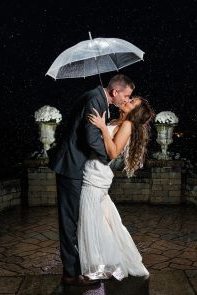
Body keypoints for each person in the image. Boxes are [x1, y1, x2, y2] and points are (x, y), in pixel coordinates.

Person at [48, 74, 135, 286]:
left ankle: (77, 267)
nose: (126, 99)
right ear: (115, 92)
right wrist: (107, 157)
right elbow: (90, 137)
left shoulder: (97, 98)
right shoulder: (95, 100)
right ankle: (70, 273)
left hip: (78, 166)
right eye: (126, 95)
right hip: (71, 165)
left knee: (76, 218)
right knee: (69, 220)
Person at [78, 95, 154, 281]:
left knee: (90, 219)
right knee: (100, 219)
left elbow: (112, 152)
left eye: (132, 103)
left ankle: (97, 267)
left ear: (134, 113)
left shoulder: (127, 125)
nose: (127, 101)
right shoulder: (117, 120)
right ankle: (110, 260)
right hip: (94, 169)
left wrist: (103, 127)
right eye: (131, 99)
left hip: (96, 174)